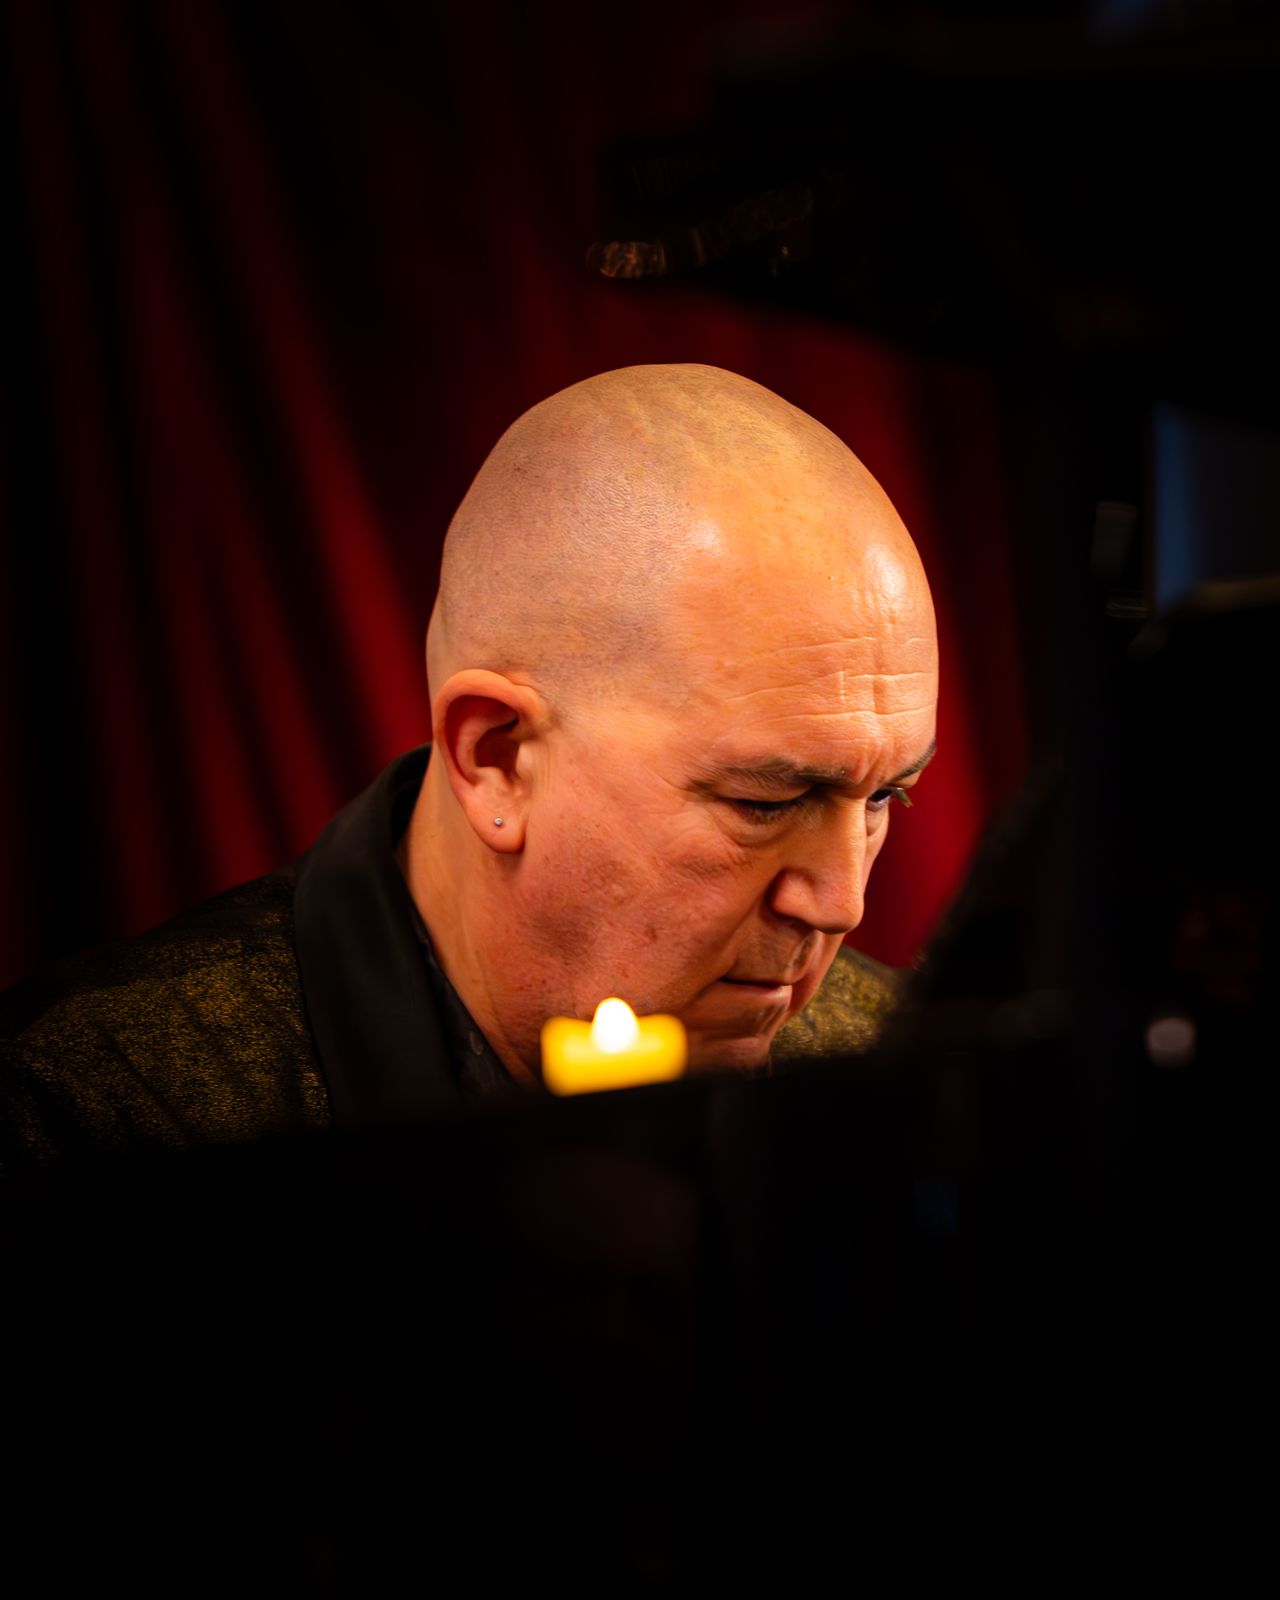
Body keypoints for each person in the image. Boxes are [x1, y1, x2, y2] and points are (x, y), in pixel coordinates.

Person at [0, 364, 938, 1166]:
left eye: (884, 796)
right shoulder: (91, 1117)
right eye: (767, 800)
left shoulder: (905, 1076)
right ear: (497, 759)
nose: (842, 903)